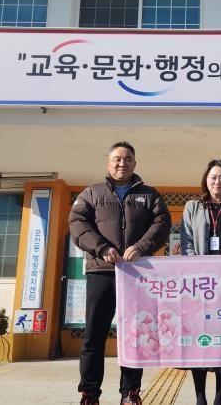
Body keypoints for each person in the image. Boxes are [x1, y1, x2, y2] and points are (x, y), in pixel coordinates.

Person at [69, 141, 172, 405]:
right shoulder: (92, 193)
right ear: (108, 163)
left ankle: (130, 392)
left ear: (135, 164)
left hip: (137, 274)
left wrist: (142, 247)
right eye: (117, 159)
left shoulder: (149, 195)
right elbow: (77, 223)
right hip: (102, 272)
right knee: (94, 334)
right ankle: (89, 393)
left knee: (136, 334)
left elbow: (162, 223)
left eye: (127, 159)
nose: (122, 163)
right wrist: (101, 247)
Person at [180, 159, 221, 405]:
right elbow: (186, 239)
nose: (217, 181)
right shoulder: (193, 206)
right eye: (213, 177)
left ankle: (220, 399)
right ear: (206, 180)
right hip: (199, 285)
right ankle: (200, 398)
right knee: (198, 341)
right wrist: (196, 268)